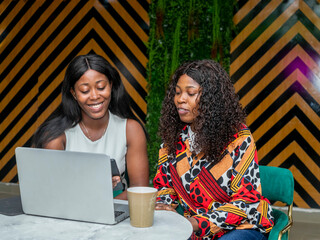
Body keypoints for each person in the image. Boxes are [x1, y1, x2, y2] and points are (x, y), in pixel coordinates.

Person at [153, 59, 274, 239]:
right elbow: (165, 186)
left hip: (242, 226)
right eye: (177, 93)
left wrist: (195, 223)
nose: (180, 99)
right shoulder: (173, 139)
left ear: (211, 99)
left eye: (190, 93)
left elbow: (246, 202)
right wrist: (164, 207)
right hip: (194, 228)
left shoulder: (238, 138)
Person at [32, 53, 149, 199]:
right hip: (69, 215)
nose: (94, 96)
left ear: (111, 85)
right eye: (85, 91)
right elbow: (52, 194)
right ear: (73, 93)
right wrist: (97, 187)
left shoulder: (130, 130)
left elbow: (139, 190)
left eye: (101, 87)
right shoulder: (56, 137)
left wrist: (102, 206)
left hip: (117, 210)